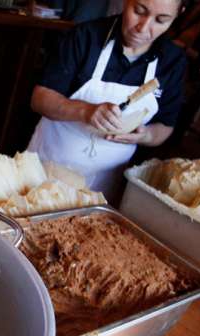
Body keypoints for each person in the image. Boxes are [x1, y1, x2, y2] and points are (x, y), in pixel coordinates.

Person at [27, 0, 187, 203]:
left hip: (104, 186)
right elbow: (40, 99)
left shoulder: (172, 61)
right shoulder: (85, 37)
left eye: (161, 20)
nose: (143, 28)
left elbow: (165, 126)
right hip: (45, 169)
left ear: (178, 15)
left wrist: (145, 135)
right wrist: (84, 111)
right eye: (138, 11)